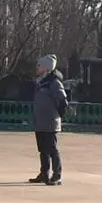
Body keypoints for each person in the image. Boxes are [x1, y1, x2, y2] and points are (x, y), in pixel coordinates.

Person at [30, 54, 68, 186]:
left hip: (50, 122)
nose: (37, 68)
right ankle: (44, 173)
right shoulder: (41, 82)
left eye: (39, 66)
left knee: (52, 149)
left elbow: (62, 100)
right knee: (42, 149)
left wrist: (60, 115)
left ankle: (57, 174)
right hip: (40, 122)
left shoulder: (54, 82)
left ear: (46, 68)